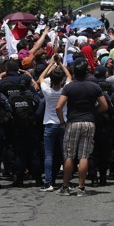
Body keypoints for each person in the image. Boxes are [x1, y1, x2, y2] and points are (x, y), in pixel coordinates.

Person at [56, 58, 108, 196]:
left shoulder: (69, 87)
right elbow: (104, 106)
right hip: (89, 122)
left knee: (69, 155)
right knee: (84, 155)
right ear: (86, 71)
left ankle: (65, 186)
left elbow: (58, 106)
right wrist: (93, 113)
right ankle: (81, 187)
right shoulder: (94, 86)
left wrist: (62, 122)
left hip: (73, 122)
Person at [38, 56, 72, 192]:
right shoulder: (66, 90)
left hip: (49, 124)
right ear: (62, 80)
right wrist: (61, 65)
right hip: (63, 123)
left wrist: (51, 64)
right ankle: (66, 182)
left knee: (49, 155)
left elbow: (40, 77)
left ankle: (48, 182)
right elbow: (69, 76)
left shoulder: (47, 91)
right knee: (65, 155)